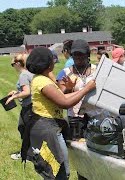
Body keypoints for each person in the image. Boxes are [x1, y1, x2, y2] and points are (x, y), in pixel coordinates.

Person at [23, 47, 95, 179]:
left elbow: (60, 97)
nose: (54, 62)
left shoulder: (43, 79)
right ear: (46, 63)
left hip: (49, 127)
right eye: (52, 60)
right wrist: (86, 89)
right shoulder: (42, 81)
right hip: (46, 129)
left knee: (60, 172)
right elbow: (64, 103)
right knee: (57, 173)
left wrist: (67, 89)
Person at [57, 39, 97, 138]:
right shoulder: (65, 73)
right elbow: (61, 98)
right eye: (75, 54)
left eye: (81, 54)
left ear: (87, 54)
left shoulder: (97, 70)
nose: (77, 57)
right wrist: (68, 88)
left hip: (96, 116)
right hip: (75, 119)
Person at [6, 53, 34, 160]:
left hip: (28, 107)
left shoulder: (23, 75)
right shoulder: (29, 73)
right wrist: (16, 92)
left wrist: (14, 97)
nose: (13, 67)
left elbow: (27, 92)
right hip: (32, 106)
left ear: (18, 63)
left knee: (24, 130)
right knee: (27, 129)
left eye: (13, 64)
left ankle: (26, 154)